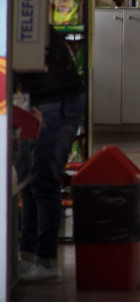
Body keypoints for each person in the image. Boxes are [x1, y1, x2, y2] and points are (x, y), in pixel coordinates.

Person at [14, 27, 86, 283]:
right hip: (38, 101)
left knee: (43, 180)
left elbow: (9, 76)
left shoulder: (15, 22)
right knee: (27, 180)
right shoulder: (19, 15)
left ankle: (47, 261)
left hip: (56, 102)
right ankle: (29, 254)